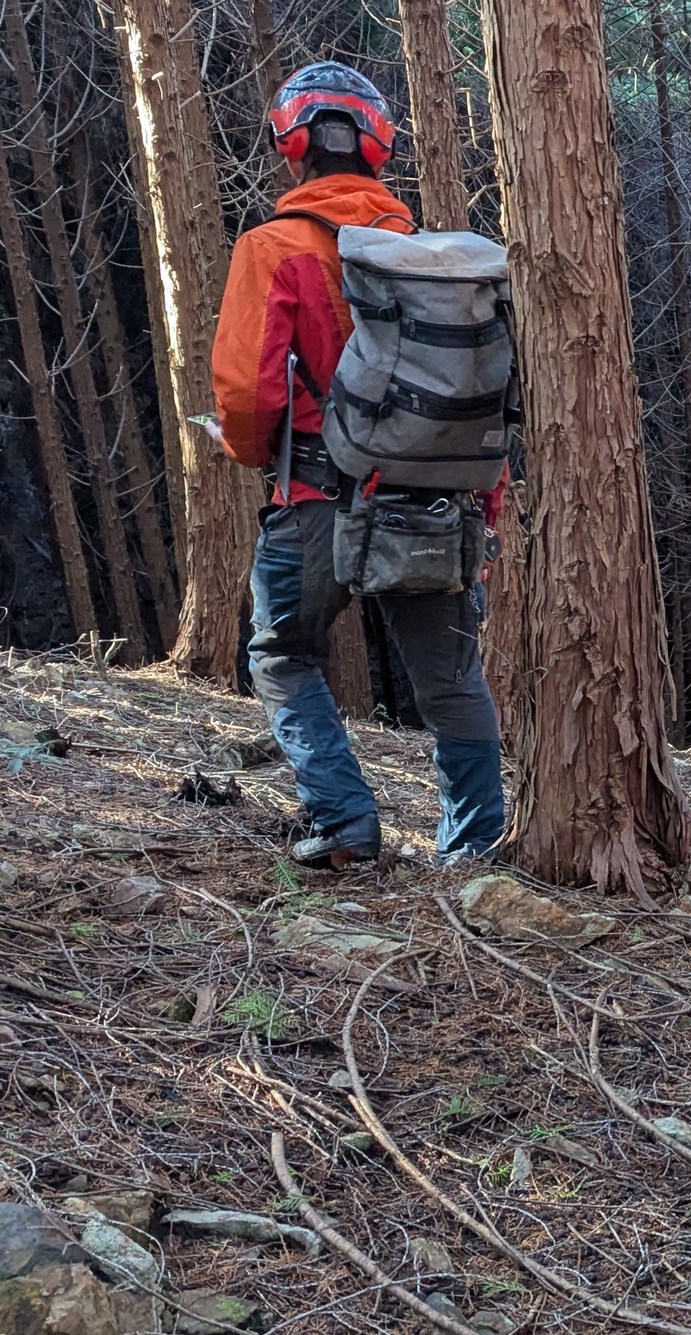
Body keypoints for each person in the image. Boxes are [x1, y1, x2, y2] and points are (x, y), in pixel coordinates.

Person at [211, 62, 506, 870]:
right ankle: (476, 845)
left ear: (293, 146)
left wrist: (256, 456)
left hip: (314, 496)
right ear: (379, 149)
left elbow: (245, 392)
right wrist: (483, 506)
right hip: (435, 502)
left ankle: (343, 819)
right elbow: (481, 393)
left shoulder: (271, 249)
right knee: (448, 680)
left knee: (281, 653)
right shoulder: (435, 261)